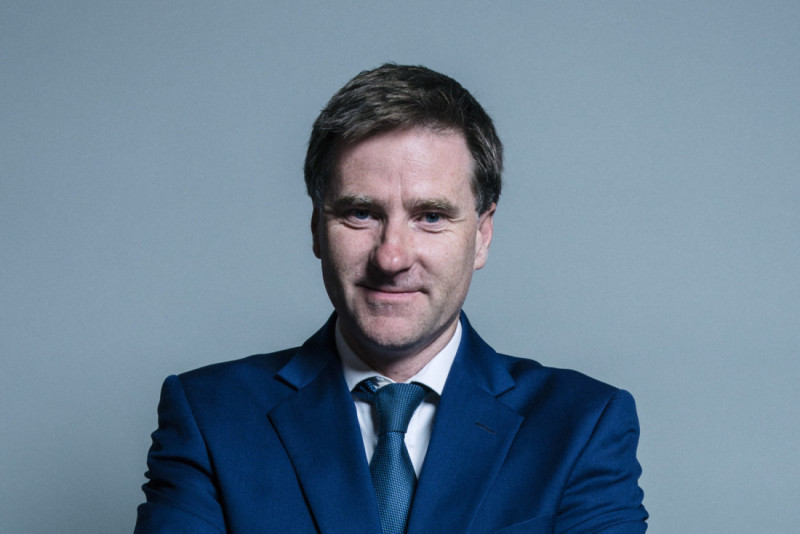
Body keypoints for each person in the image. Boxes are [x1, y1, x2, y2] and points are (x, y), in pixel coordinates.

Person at [135, 64, 648, 533]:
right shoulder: (210, 416)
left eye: (431, 216)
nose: (392, 257)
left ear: (482, 235)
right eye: (361, 213)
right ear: (317, 227)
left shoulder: (582, 426)